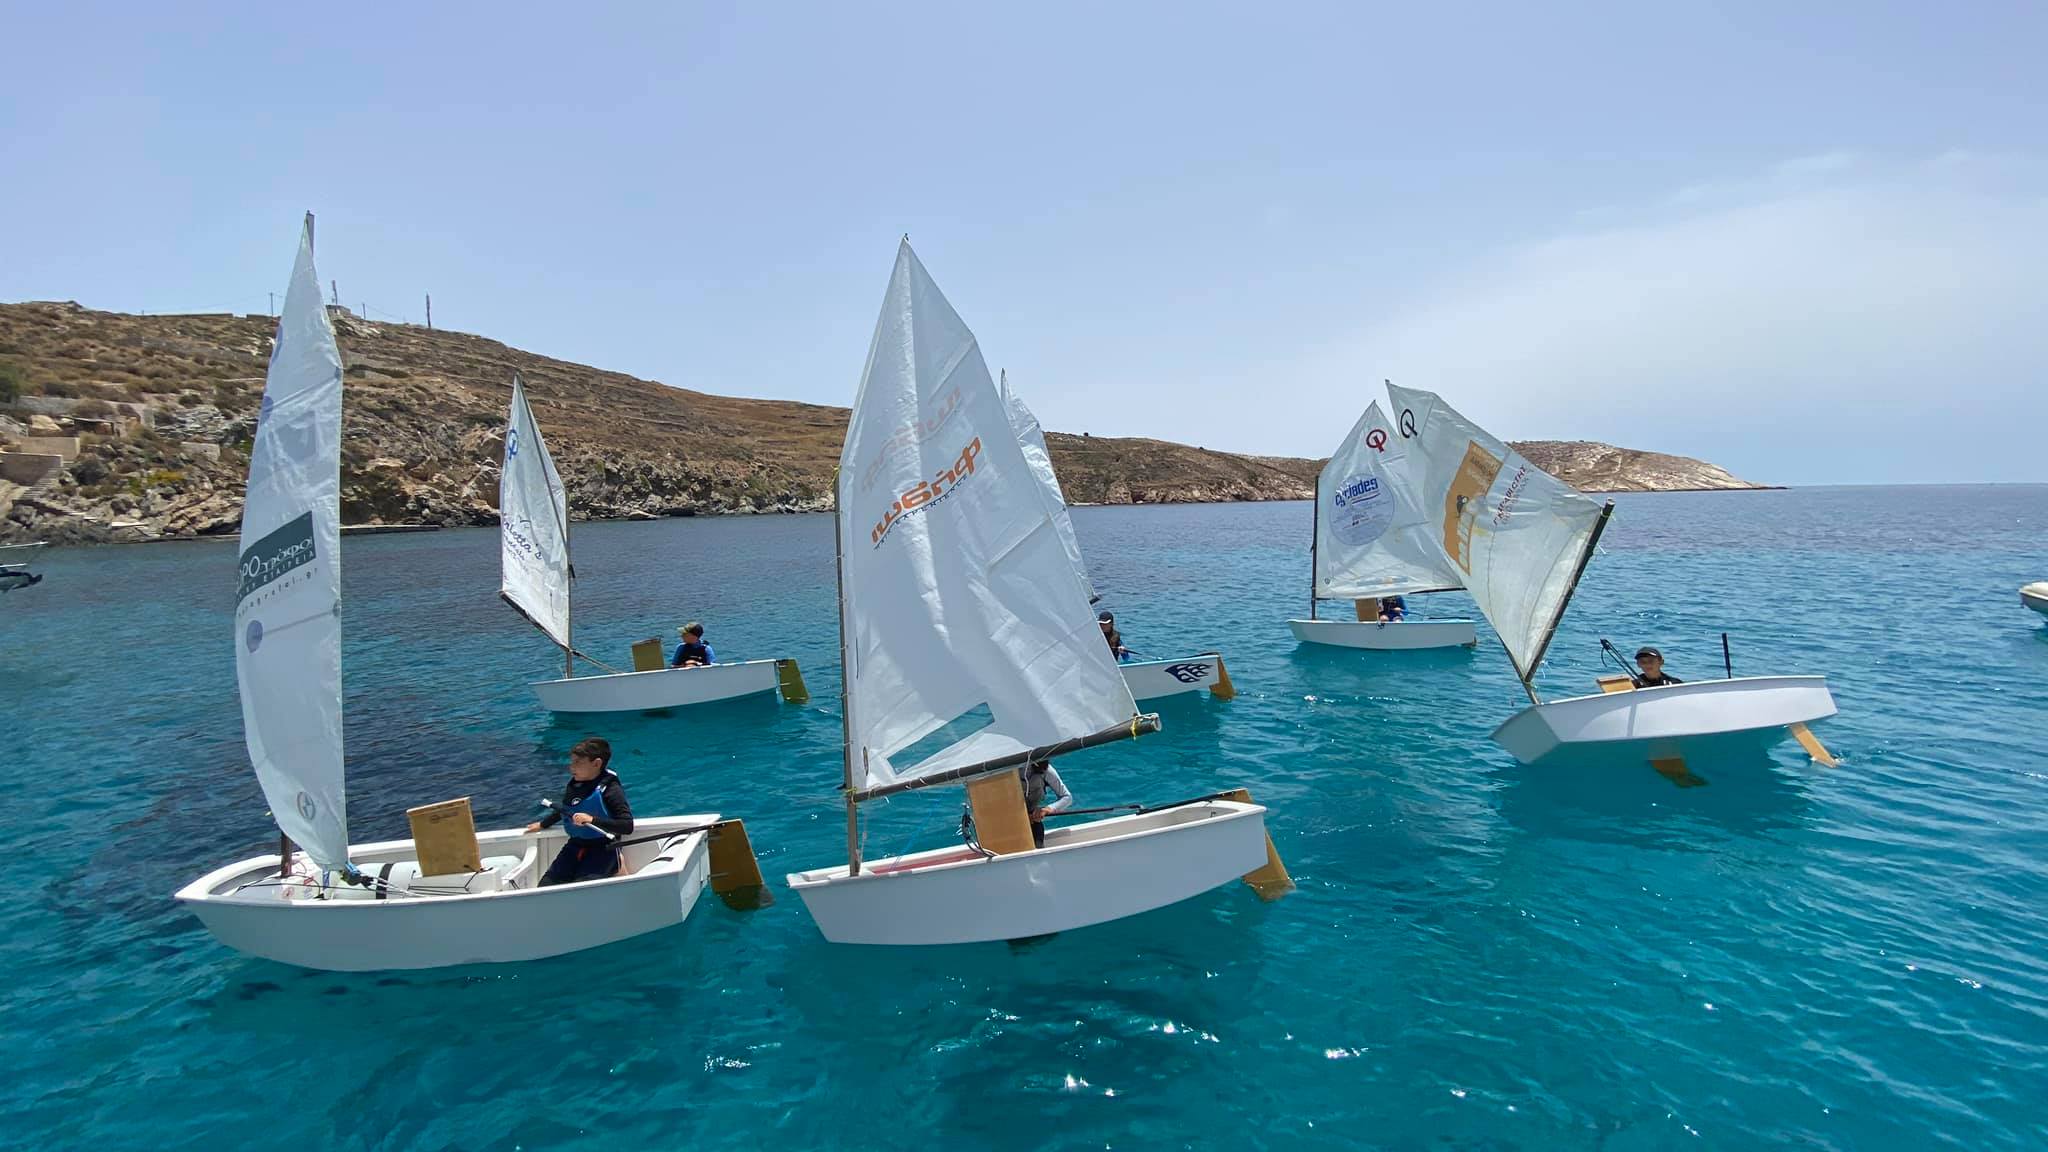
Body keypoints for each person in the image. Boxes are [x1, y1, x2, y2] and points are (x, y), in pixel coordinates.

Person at [525, 737, 635, 885]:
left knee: (582, 886)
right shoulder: (576, 784)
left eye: (578, 762)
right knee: (546, 886)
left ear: (596, 764)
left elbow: (627, 826)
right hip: (575, 845)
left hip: (604, 847)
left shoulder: (611, 789)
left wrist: (592, 820)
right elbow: (566, 809)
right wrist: (543, 824)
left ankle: (617, 866)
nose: (571, 767)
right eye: (572, 762)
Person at [1020, 759, 1073, 849]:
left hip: (1033, 823)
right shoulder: (1003, 769)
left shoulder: (1045, 769)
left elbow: (1067, 797)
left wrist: (1047, 809)